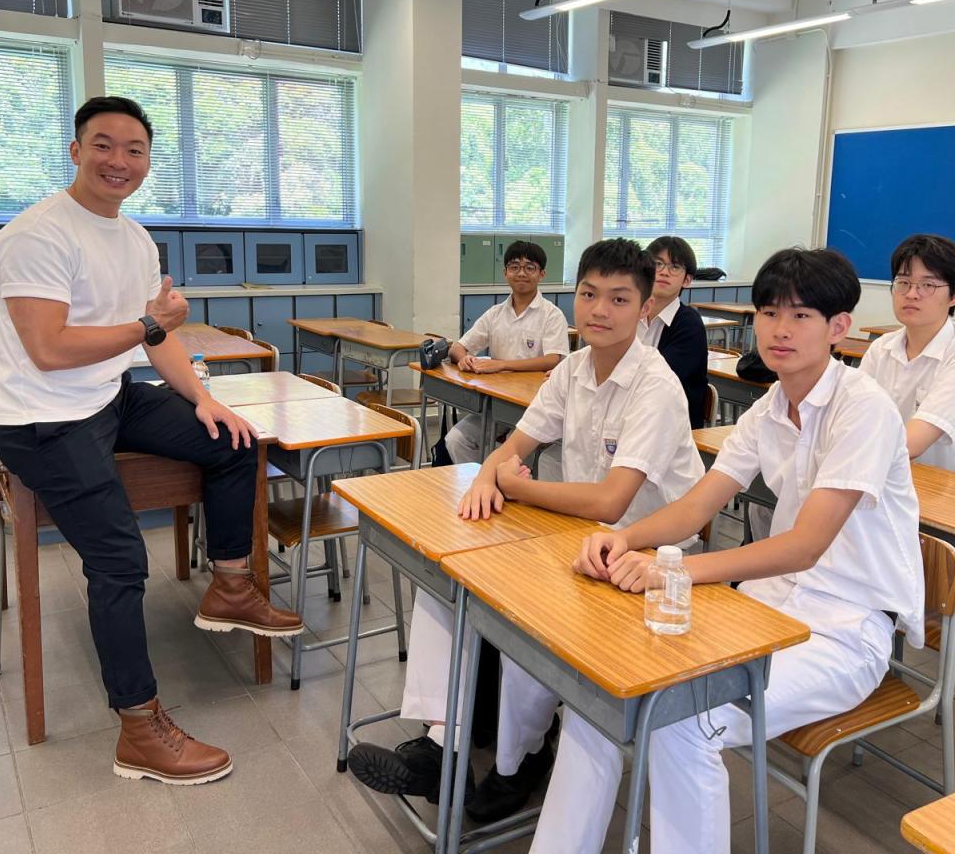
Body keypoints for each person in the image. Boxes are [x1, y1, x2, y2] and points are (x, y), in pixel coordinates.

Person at [530, 247, 924, 853]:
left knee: (683, 721)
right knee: (606, 691)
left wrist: (673, 571)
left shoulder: (863, 408)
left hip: (845, 629)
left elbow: (805, 546)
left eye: (800, 316)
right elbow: (697, 506)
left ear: (838, 327)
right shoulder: (769, 409)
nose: (780, 329)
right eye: (768, 313)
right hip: (765, 608)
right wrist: (623, 538)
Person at [0, 96, 303, 785]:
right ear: (76, 151)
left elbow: (158, 340)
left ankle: (231, 586)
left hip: (106, 393)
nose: (118, 161)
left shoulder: (134, 238)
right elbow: (48, 349)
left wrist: (204, 398)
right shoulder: (35, 235)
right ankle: (138, 727)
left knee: (235, 441)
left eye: (134, 150)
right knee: (121, 560)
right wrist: (150, 326)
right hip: (41, 416)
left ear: (148, 162)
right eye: (103, 145)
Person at [347, 239, 705, 824]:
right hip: (576, 533)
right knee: (448, 577)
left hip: (646, 556)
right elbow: (512, 447)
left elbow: (612, 500)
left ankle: (520, 762)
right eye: (589, 293)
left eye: (619, 299)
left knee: (524, 619)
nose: (600, 309)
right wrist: (488, 476)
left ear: (645, 309)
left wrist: (515, 487)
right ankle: (441, 743)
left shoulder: (655, 387)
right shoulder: (573, 369)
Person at [859, 233, 955, 477]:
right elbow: (855, 416)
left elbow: (913, 443)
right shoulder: (881, 348)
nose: (911, 294)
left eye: (927, 285)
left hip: (947, 489)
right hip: (884, 474)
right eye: (903, 282)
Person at [434, 240, 569, 465]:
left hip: (533, 407)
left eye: (529, 267)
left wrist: (502, 365)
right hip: (497, 403)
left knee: (511, 453)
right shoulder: (495, 313)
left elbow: (553, 359)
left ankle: (500, 480)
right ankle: (481, 483)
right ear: (505, 272)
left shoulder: (552, 315)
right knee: (456, 440)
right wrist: (464, 358)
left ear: (541, 274)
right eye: (514, 267)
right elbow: (458, 347)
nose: (521, 273)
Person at [641, 236, 709, 429]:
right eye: (658, 264)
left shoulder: (690, 325)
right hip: (631, 414)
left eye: (675, 267)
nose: (664, 272)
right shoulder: (630, 314)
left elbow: (659, 381)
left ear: (687, 280)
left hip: (670, 424)